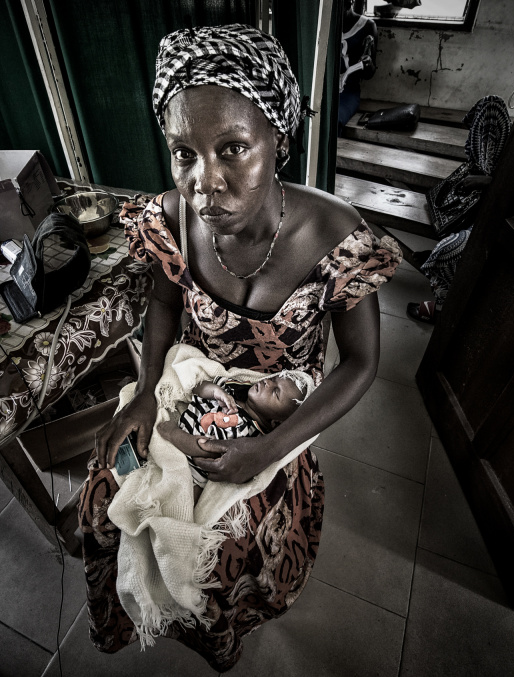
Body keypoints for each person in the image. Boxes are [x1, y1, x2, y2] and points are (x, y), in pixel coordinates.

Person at [80, 24, 400, 672]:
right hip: (190, 395)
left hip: (278, 424)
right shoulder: (171, 218)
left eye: (232, 148)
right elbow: (165, 302)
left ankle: (219, 636)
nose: (205, 182)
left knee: (233, 542)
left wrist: (270, 449)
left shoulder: (338, 235)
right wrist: (145, 393)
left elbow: (363, 363)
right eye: (183, 153)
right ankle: (144, 611)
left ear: (277, 140)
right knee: (104, 501)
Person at [408, 95, 512, 323]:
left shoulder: (506, 165)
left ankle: (445, 309)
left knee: (446, 252)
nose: (472, 142)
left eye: (479, 131)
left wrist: (489, 182)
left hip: (504, 226)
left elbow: (511, 198)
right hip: (486, 218)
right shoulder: (491, 158)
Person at [175, 371, 315, 497]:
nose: (268, 382)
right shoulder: (233, 389)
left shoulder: (247, 434)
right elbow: (196, 386)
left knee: (184, 497)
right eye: (273, 379)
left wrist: (172, 433)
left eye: (275, 392)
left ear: (275, 423)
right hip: (179, 422)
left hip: (189, 467)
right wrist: (215, 391)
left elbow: (206, 450)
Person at [338, 0, 378, 127]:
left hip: (348, 91)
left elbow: (369, 74)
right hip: (325, 89)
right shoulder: (327, 24)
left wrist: (368, 63)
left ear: (349, 3)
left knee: (335, 119)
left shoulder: (367, 26)